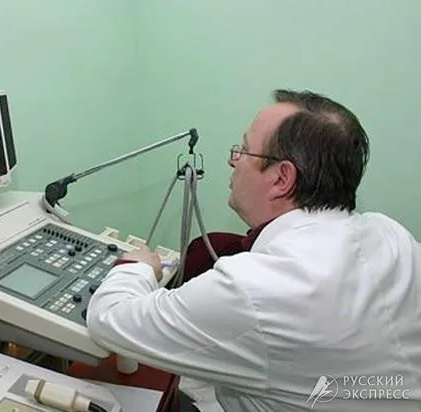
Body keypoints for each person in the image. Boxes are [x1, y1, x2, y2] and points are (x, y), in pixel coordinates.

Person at [86, 89, 421, 412]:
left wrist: (137, 267)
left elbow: (108, 320)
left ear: (281, 179)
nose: (233, 161)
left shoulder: (256, 288)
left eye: (244, 151)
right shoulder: (392, 236)